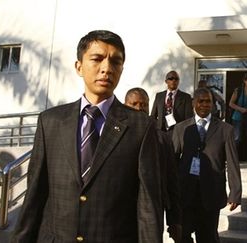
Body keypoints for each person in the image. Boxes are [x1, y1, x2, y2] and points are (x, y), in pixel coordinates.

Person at [12, 30, 163, 243]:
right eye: (97, 59)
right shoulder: (51, 122)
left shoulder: (141, 127)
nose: (106, 68)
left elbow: (148, 205)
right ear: (79, 66)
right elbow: (35, 195)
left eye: (115, 62)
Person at [172, 87, 242, 243]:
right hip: (186, 194)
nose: (205, 105)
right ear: (193, 103)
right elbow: (173, 162)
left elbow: (232, 162)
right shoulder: (180, 129)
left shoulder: (225, 130)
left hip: (211, 194)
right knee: (183, 236)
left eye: (208, 101)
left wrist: (235, 192)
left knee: (208, 237)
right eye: (201, 101)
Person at [124, 87, 182, 243]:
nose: (139, 108)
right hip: (120, 214)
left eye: (143, 104)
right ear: (125, 105)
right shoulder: (115, 136)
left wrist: (174, 220)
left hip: (152, 214)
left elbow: (171, 182)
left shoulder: (162, 139)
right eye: (134, 104)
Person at [151, 70, 194, 135]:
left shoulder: (186, 97)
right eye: (171, 78)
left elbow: (189, 119)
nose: (174, 81)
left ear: (178, 81)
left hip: (178, 133)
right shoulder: (159, 96)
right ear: (166, 81)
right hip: (161, 132)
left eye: (176, 79)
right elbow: (153, 116)